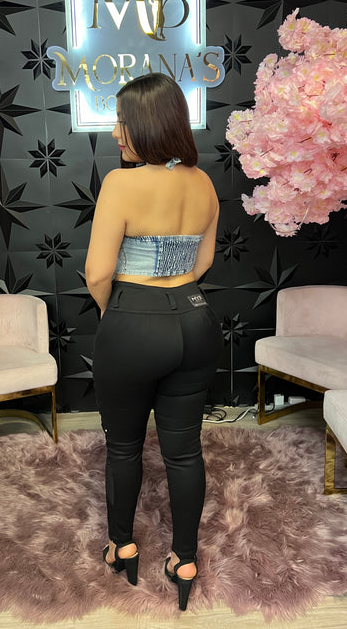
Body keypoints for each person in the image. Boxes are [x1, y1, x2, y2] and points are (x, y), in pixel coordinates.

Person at [85, 72, 222, 611]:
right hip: (196, 320)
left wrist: (116, 312)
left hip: (133, 322)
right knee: (184, 451)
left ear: (148, 124)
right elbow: (203, 262)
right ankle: (184, 559)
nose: (115, 132)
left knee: (123, 446)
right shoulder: (203, 182)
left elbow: (98, 272)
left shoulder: (121, 184)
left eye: (123, 121)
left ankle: (122, 547)